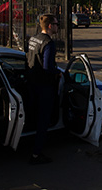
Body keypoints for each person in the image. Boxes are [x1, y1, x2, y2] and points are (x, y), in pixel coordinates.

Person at [26, 14, 62, 165]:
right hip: (44, 87)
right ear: (49, 26)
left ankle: (29, 144)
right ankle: (36, 154)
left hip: (31, 83)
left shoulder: (33, 39)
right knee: (43, 120)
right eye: (56, 24)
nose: (57, 26)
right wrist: (58, 73)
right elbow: (47, 67)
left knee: (33, 116)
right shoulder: (48, 43)